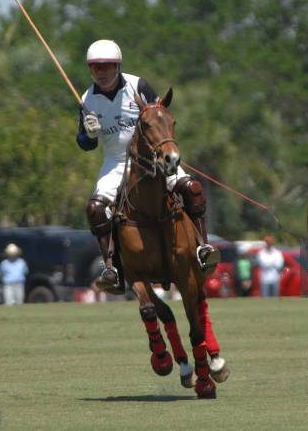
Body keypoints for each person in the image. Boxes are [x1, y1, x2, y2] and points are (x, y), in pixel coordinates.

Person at [77, 39, 219, 292]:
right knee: (96, 209)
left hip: (151, 157)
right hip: (116, 161)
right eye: (96, 68)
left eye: (107, 67)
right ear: (90, 69)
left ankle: (202, 248)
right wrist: (88, 134)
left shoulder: (137, 85)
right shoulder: (87, 99)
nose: (102, 73)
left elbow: (160, 116)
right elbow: (85, 144)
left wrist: (164, 150)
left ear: (117, 66)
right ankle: (112, 269)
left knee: (192, 188)